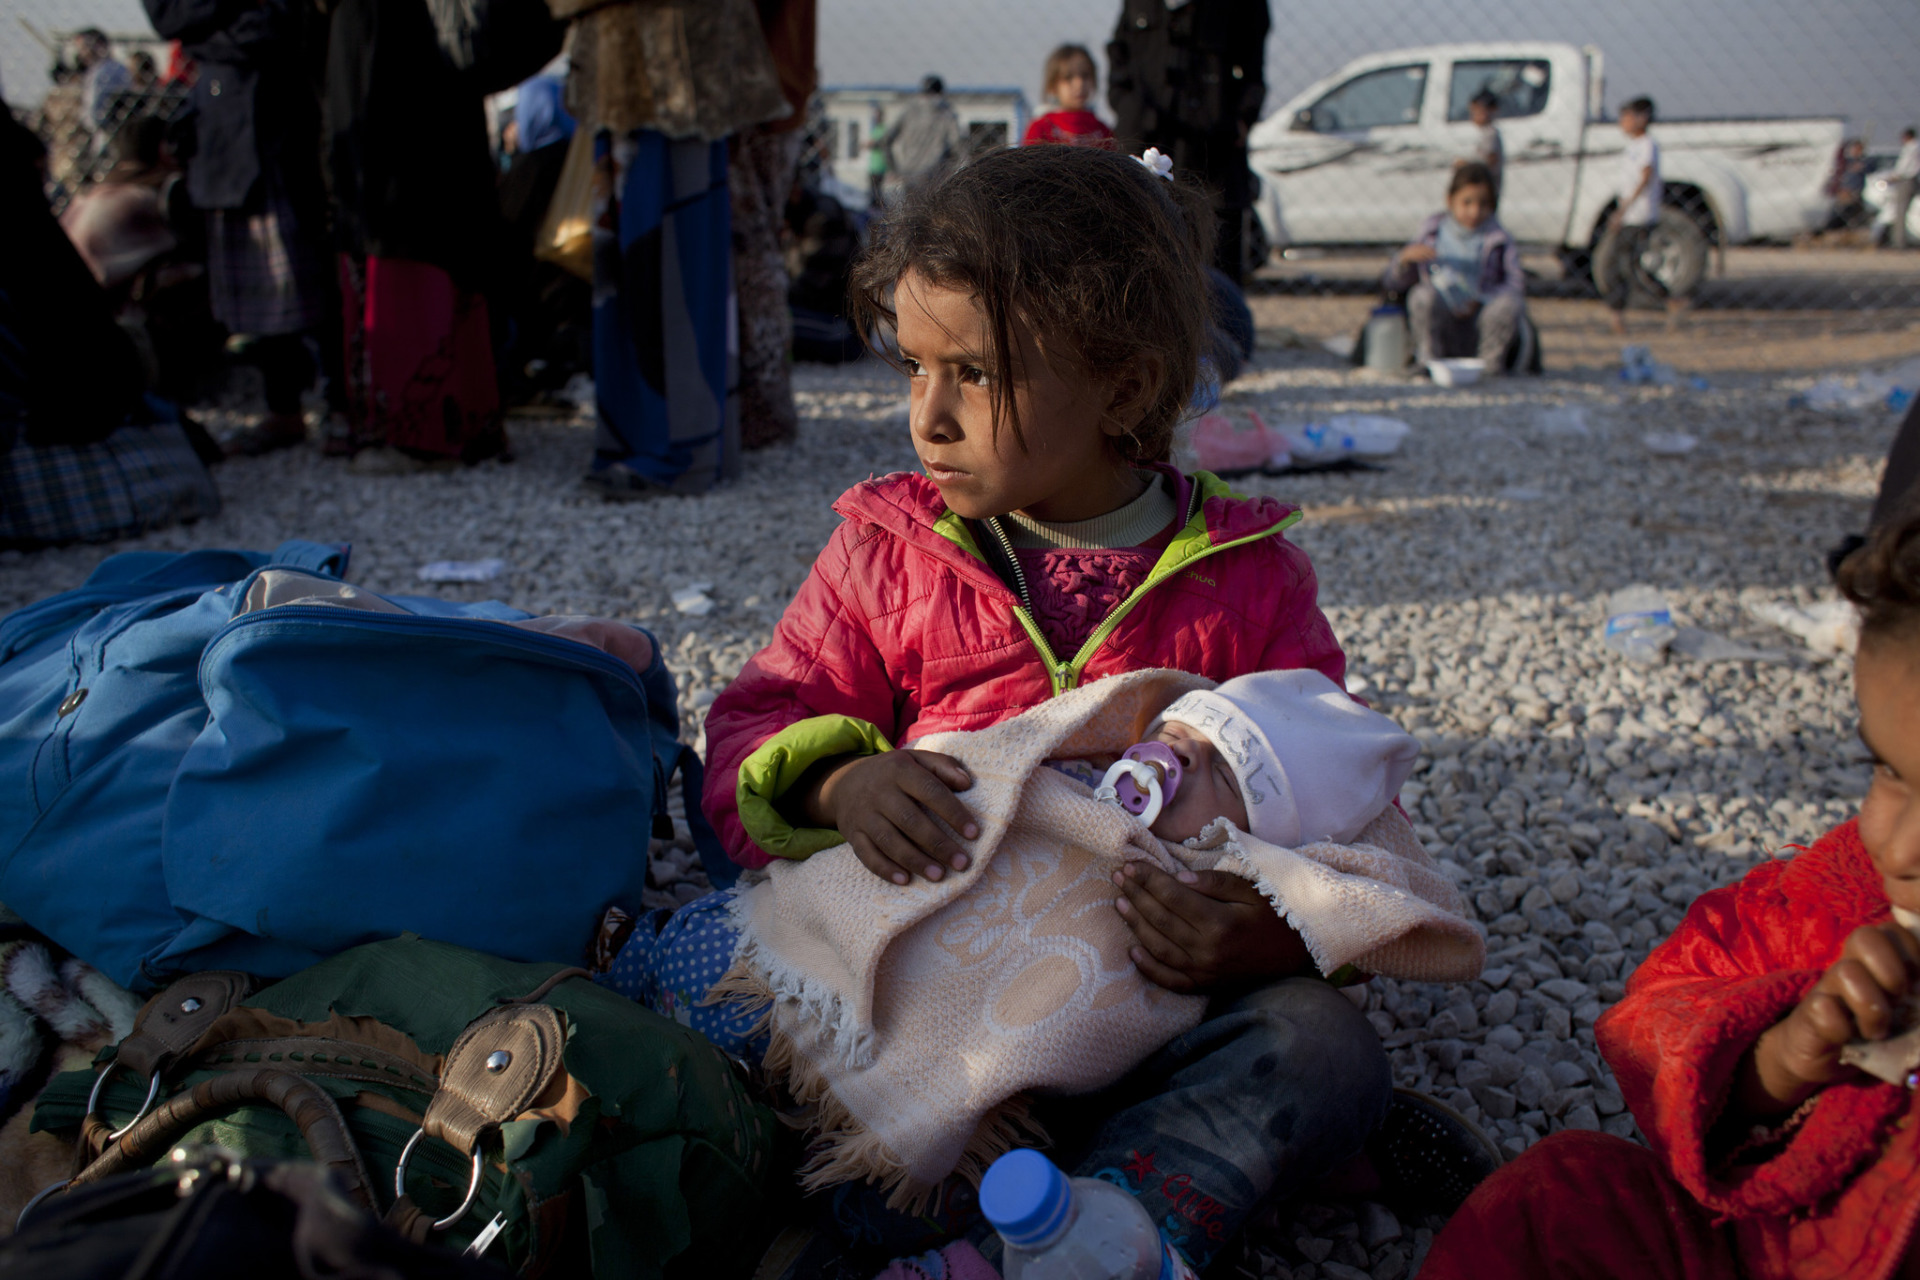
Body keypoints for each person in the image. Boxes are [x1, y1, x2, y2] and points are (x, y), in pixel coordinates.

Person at [697, 143, 1398, 1273]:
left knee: (1329, 1052)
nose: (927, 418)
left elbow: (1346, 814)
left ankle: (1096, 1231)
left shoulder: (1251, 585)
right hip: (939, 1008)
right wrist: (842, 779)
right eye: (913, 367)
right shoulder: (890, 551)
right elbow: (745, 738)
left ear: (1122, 384)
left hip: (1145, 1006)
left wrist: (1264, 934)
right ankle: (1078, 1197)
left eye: (973, 373)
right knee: (745, 996)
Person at [1420, 508, 1920, 1280]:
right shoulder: (1838, 893)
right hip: (1754, 1252)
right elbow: (1664, 1005)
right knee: (1558, 1200)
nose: (1901, 844)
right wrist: (1779, 1058)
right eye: (1887, 770)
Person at [143, 0, 336, 458]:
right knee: (260, 291)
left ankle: (337, 404)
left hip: (277, 131)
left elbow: (273, 27)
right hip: (227, 136)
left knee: (305, 282)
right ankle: (283, 408)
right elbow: (168, 16)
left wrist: (206, 40)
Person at [1106, 0, 1269, 285]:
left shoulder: (1241, 7)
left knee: (1215, 284)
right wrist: (1127, 106)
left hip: (1213, 162)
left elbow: (1253, 70)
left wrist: (1241, 120)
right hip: (1146, 153)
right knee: (1143, 276)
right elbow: (1120, 54)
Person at [1382, 162, 1526, 373]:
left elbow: (1515, 285)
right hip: (1442, 320)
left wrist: (1483, 299)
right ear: (1450, 200)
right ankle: (1429, 363)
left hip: (1480, 321)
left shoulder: (1499, 238)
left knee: (1509, 304)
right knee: (1421, 295)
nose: (1474, 211)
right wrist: (1404, 260)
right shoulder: (1432, 233)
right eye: (1466, 202)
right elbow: (1393, 282)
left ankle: (1488, 369)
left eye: (1483, 203)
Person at [1606, 95, 1665, 335]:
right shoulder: (1633, 146)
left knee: (1621, 266)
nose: (1623, 122)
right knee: (1626, 265)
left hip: (1639, 215)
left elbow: (1645, 177)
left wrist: (1623, 210)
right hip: (1630, 213)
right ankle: (1620, 314)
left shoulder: (1647, 145)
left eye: (1627, 117)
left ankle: (1665, 300)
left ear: (1642, 118)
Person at [883, 75, 965, 195]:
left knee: (911, 209)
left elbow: (886, 140)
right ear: (941, 93)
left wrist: (894, 168)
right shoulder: (946, 113)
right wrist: (956, 170)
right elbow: (957, 144)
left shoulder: (909, 110)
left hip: (908, 172)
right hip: (934, 174)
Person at [1022, 44, 1114, 149]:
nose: (1079, 84)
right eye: (1068, 78)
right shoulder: (1041, 129)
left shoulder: (1102, 131)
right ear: (1052, 86)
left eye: (1085, 75)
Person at [1464, 88, 1502, 195]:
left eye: (1477, 112)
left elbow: (1490, 158)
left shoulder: (1490, 133)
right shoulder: (1486, 132)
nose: (1473, 116)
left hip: (1487, 185)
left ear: (1492, 110)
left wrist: (1467, 167)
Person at [1889, 126, 1918, 252]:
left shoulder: (1910, 148)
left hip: (1906, 180)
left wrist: (1893, 177)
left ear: (1906, 137)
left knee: (1900, 212)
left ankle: (1898, 242)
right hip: (1914, 179)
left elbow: (1903, 166)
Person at [866, 102, 889, 205]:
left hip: (879, 165)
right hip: (874, 165)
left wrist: (866, 144)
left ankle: (879, 208)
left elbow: (874, 143)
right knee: (874, 191)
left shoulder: (883, 129)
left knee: (876, 191)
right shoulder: (875, 129)